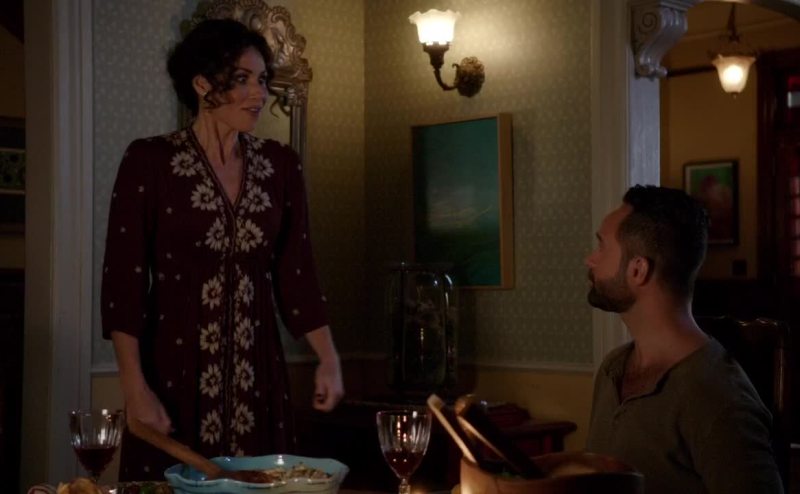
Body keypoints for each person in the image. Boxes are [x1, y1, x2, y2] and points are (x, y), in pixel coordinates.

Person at [101, 18, 344, 481]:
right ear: (201, 84)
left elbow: (297, 273)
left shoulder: (280, 166)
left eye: (263, 80)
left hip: (258, 376)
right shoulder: (149, 162)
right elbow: (123, 284)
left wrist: (329, 359)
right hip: (172, 375)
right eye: (242, 79)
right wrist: (134, 389)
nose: (259, 93)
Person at [584, 185, 782, 494]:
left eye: (602, 246)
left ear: (638, 270)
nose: (590, 260)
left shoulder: (719, 399)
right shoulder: (613, 368)